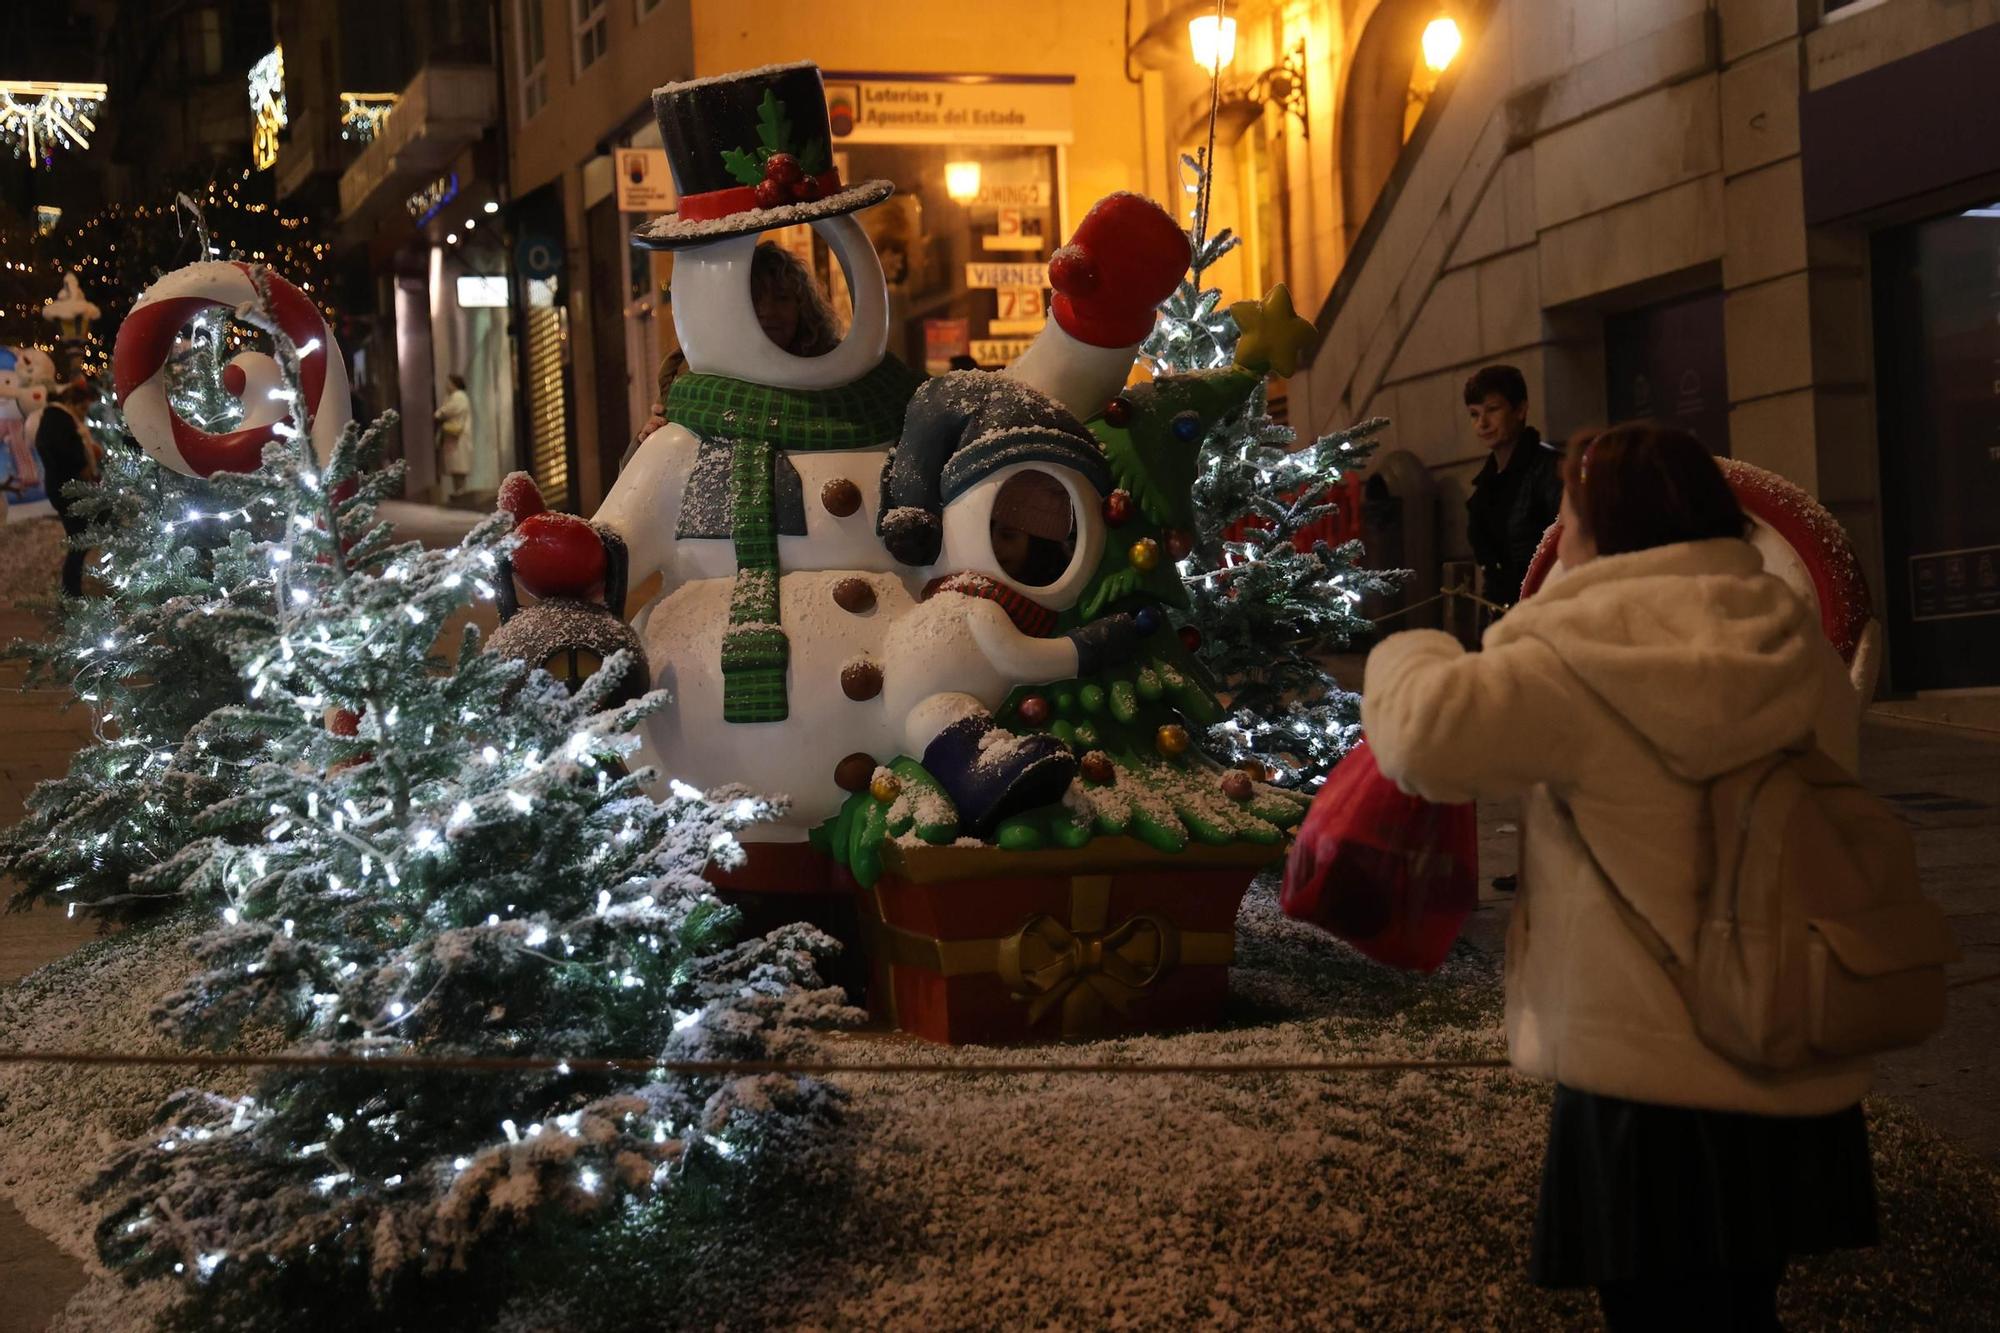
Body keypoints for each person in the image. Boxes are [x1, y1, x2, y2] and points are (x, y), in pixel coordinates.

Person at [1362, 423, 1875, 1332]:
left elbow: (1428, 737)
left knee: (1651, 1311)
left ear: (1605, 527)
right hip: (1780, 1033)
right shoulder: (1789, 632)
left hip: (1645, 1073)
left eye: (1567, 513)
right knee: (1744, 1305)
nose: (1557, 535)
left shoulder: (1578, 648)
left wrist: (1410, 651)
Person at [627, 243, 842, 465]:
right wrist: (648, 440)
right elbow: (636, 483)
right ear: (730, 307)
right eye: (754, 299)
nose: (769, 311)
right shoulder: (689, 375)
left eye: (782, 298)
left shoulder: (835, 370)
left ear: (801, 306)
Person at [1462, 365, 1561, 614]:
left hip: (1544, 606)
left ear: (1520, 410)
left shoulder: (1550, 469)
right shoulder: (1486, 482)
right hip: (1501, 611)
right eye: (1474, 414)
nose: (1482, 423)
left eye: (1492, 410)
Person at [36, 381, 104, 596]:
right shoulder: (58, 418)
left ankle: (71, 592)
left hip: (69, 487)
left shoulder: (59, 418)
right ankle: (70, 593)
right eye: (83, 407)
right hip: (67, 489)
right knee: (79, 539)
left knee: (82, 538)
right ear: (71, 401)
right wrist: (82, 464)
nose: (84, 414)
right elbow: (64, 449)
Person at [433, 373, 473, 499]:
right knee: (456, 466)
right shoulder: (455, 396)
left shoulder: (458, 396)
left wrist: (439, 413)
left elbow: (447, 411)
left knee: (458, 465)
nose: (447, 385)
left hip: (457, 437)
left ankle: (460, 491)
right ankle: (459, 491)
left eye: (449, 382)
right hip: (454, 436)